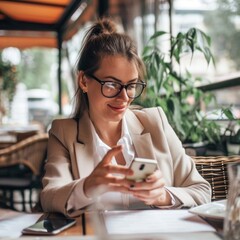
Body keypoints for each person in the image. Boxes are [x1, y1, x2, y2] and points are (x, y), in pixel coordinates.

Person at [41, 18, 211, 217]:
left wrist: (162, 196)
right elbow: (49, 197)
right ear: (83, 81)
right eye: (111, 84)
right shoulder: (64, 133)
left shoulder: (155, 122)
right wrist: (86, 187)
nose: (124, 98)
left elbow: (202, 190)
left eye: (131, 86)